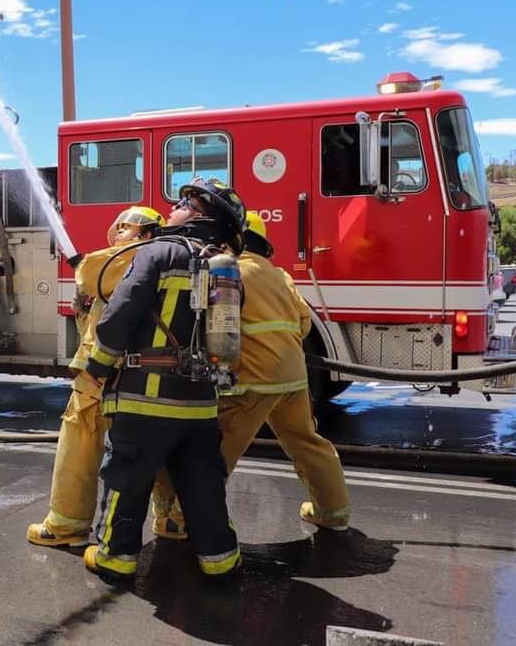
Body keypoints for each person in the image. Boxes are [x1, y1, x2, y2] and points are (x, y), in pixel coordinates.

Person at [82, 177, 247, 581]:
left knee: (127, 477)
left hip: (145, 398)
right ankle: (220, 559)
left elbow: (119, 314)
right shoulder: (226, 269)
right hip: (201, 402)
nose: (172, 206)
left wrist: (98, 367)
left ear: (198, 211)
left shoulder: (157, 252)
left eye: (182, 200)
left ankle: (115, 558)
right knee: (202, 483)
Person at [152, 212, 351, 533]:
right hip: (294, 379)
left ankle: (181, 519)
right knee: (307, 442)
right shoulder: (279, 275)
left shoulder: (228, 273)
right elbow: (302, 324)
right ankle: (333, 511)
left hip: (250, 380)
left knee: (216, 451)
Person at [26, 206, 165, 548]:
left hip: (101, 373)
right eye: (117, 228)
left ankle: (66, 525)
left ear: (146, 234)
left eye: (126, 228)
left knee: (80, 443)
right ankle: (172, 519)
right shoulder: (166, 259)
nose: (118, 234)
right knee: (158, 448)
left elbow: (89, 272)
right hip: (146, 374)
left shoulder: (132, 256)